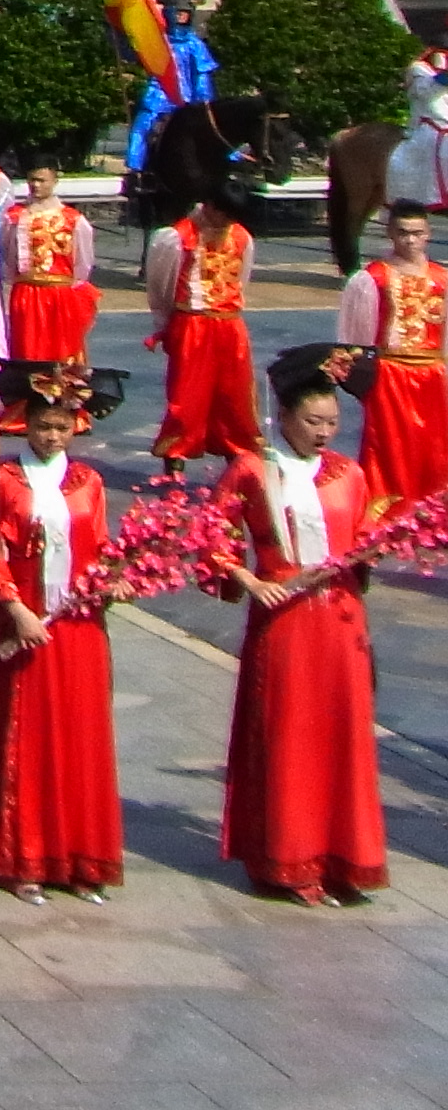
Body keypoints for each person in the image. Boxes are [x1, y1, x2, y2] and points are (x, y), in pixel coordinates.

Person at [211, 344, 387, 904]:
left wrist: (373, 551)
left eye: (332, 422)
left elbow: (363, 538)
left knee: (343, 737)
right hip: (284, 622)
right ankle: (288, 859)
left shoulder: (349, 474)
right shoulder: (253, 470)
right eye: (312, 421)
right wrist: (249, 579)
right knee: (289, 736)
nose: (324, 432)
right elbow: (210, 538)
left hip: (339, 621)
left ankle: (343, 858)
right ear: (283, 416)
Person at [0, 358, 128, 905]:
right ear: (26, 424)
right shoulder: (6, 479)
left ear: (75, 426)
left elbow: (100, 548)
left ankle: (82, 858)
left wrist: (115, 582)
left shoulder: (89, 482)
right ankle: (27, 858)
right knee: (30, 740)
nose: (52, 436)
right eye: (42, 426)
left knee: (83, 738)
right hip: (29, 622)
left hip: (81, 626)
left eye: (61, 426)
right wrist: (15, 610)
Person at [335, 197, 446, 504]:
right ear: (390, 233)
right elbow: (355, 335)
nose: (410, 240)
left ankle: (433, 511)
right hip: (391, 374)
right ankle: (387, 509)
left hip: (432, 374)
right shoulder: (373, 278)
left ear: (428, 234)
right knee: (389, 445)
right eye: (403, 232)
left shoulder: (442, 279)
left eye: (417, 233)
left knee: (434, 446)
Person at [144, 184, 259, 472]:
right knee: (187, 393)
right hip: (193, 322)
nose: (227, 222)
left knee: (235, 393)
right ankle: (176, 453)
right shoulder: (177, 237)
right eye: (224, 215)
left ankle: (237, 451)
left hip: (230, 324)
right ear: (209, 206)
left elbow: (241, 279)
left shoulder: (241, 237)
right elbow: (161, 286)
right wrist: (166, 323)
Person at [4, 162, 97, 366]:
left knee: (62, 348)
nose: (36, 185)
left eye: (41, 180)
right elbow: (8, 255)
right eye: (32, 180)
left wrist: (71, 285)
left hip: (61, 293)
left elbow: (83, 261)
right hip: (26, 292)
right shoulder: (14, 216)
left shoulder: (73, 219)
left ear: (54, 181)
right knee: (27, 347)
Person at [126, 3, 217, 175]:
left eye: (185, 13)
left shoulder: (195, 45)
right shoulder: (158, 42)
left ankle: (229, 160)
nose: (181, 16)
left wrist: (204, 100)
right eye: (178, 13)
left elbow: (202, 76)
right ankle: (136, 169)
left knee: (212, 127)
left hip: (187, 98)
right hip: (158, 95)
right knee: (141, 127)